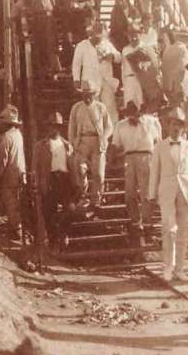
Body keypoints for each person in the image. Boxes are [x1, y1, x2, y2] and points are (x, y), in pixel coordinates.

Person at [148, 107, 188, 282]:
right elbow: (154, 172)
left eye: (179, 125)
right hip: (166, 193)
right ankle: (168, 267)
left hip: (186, 193)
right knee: (169, 229)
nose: (176, 128)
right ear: (167, 126)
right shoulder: (159, 147)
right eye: (173, 124)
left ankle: (180, 269)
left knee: (183, 231)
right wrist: (151, 195)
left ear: (183, 128)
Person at [111, 101, 161, 238]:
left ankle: (147, 223)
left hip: (147, 156)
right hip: (129, 158)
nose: (135, 116)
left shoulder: (151, 121)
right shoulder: (121, 125)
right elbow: (116, 144)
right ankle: (135, 223)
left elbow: (158, 142)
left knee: (147, 193)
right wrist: (114, 157)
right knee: (129, 193)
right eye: (132, 113)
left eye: (137, 113)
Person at [32, 112, 75, 247]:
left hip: (64, 179)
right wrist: (37, 183)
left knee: (70, 208)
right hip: (49, 179)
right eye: (51, 126)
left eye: (57, 126)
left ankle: (63, 233)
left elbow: (72, 165)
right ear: (48, 127)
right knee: (48, 211)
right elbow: (35, 167)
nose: (54, 129)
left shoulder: (67, 145)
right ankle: (52, 240)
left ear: (60, 128)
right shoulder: (40, 145)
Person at [68, 81, 113, 209]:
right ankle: (83, 196)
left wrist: (104, 137)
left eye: (90, 95)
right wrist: (71, 143)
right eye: (84, 95)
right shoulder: (76, 108)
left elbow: (109, 127)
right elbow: (72, 127)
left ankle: (97, 198)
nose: (87, 98)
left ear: (94, 95)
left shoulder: (101, 107)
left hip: (97, 141)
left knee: (98, 172)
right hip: (82, 141)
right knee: (80, 169)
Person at [71, 22, 121, 126]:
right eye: (96, 34)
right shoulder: (82, 45)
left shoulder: (107, 44)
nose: (99, 38)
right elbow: (76, 64)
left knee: (109, 105)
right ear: (92, 33)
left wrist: (112, 56)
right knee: (92, 107)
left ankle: (113, 132)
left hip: (106, 80)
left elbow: (119, 58)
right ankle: (95, 131)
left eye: (101, 34)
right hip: (90, 82)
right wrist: (76, 79)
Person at [0, 105, 26, 239]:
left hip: (10, 175)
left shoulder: (6, 138)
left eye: (1, 122)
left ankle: (16, 231)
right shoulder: (18, 135)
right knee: (17, 203)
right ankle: (16, 228)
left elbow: (2, 160)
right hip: (19, 172)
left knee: (10, 202)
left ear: (5, 124)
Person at [120, 23, 157, 111]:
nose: (133, 38)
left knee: (142, 106)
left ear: (140, 35)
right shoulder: (125, 50)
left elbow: (155, 65)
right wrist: (125, 84)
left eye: (135, 35)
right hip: (129, 80)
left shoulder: (147, 48)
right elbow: (123, 69)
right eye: (130, 36)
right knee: (129, 106)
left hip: (142, 81)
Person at [161, 27, 188, 103]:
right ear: (186, 38)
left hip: (166, 84)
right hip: (177, 86)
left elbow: (164, 66)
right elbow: (183, 70)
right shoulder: (184, 50)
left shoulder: (168, 49)